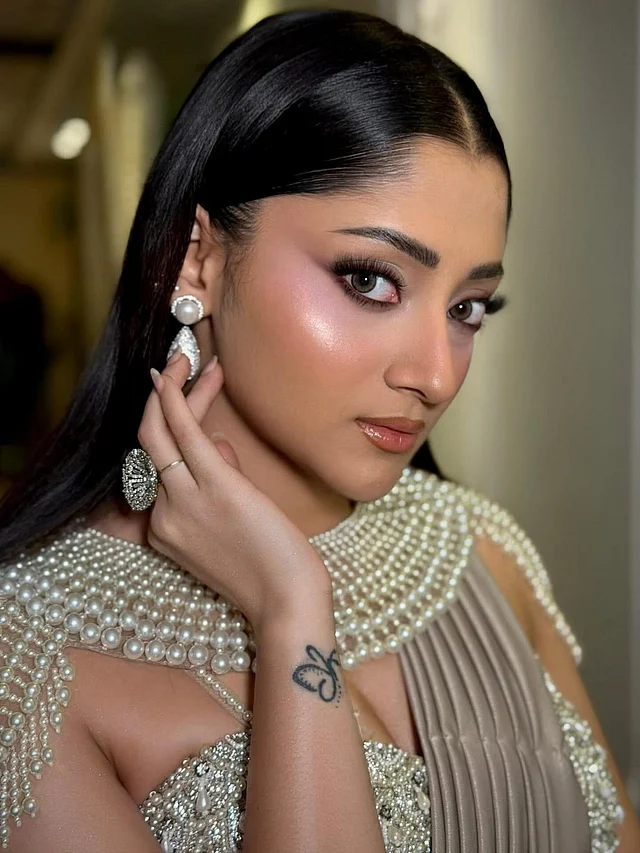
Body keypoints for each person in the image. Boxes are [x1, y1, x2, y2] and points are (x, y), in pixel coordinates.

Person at [0, 8, 637, 852]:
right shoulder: (28, 654)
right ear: (198, 258)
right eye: (371, 280)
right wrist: (290, 610)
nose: (436, 375)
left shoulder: (482, 552)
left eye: (468, 307)